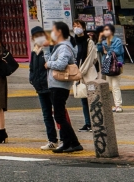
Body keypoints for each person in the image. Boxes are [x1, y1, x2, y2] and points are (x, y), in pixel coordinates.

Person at [44, 22, 83, 154]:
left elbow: (61, 64)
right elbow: (48, 61)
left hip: (59, 85)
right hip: (56, 84)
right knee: (59, 115)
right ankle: (67, 143)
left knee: (59, 116)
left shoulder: (64, 47)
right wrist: (45, 49)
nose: (52, 33)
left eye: (53, 30)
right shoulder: (59, 47)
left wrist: (49, 63)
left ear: (59, 32)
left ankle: (74, 142)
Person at [28, 26, 58, 148]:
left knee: (58, 114)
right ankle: (52, 140)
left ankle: (66, 138)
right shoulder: (34, 51)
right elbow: (32, 68)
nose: (38, 38)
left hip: (51, 86)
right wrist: (32, 79)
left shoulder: (50, 48)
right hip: (40, 87)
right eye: (36, 36)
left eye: (40, 35)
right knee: (46, 115)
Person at [95, 24, 128, 112]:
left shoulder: (117, 40)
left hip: (117, 64)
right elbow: (99, 50)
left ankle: (118, 105)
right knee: (111, 86)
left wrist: (107, 52)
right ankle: (116, 105)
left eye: (107, 29)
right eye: (104, 30)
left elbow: (118, 51)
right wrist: (99, 39)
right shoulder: (103, 41)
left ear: (112, 31)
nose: (105, 31)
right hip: (107, 64)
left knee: (115, 85)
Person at [71, 22, 93, 130]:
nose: (76, 28)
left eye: (78, 26)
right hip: (78, 74)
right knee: (83, 98)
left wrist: (81, 72)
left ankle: (95, 122)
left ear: (84, 28)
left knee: (92, 98)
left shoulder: (89, 42)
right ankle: (88, 123)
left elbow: (90, 59)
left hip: (87, 74)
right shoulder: (73, 42)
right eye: (74, 26)